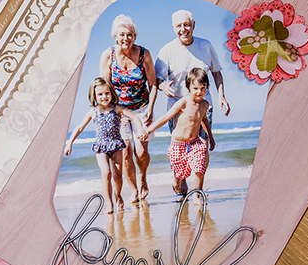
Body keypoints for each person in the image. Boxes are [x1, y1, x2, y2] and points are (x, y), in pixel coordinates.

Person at [65, 78, 146, 213]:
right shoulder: (93, 112)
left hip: (116, 144)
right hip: (101, 146)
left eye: (107, 93)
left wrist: (141, 129)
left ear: (111, 93)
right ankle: (109, 204)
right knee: (106, 173)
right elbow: (79, 128)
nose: (104, 97)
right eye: (100, 94)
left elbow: (135, 118)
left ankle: (118, 195)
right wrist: (70, 143)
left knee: (118, 176)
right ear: (94, 96)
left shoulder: (117, 108)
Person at [99, 14, 156, 203]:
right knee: (126, 152)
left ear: (135, 36)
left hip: (141, 108)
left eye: (130, 34)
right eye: (122, 35)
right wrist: (111, 111)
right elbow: (103, 87)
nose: (126, 38)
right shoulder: (108, 55)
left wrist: (151, 108)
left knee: (141, 153)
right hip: (120, 111)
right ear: (116, 36)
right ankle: (133, 190)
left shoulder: (144, 54)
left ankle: (143, 177)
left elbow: (153, 84)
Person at [144, 68, 215, 195]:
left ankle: (198, 192)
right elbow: (166, 117)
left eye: (203, 88)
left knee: (200, 167)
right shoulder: (183, 102)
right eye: (196, 88)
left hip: (195, 143)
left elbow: (204, 120)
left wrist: (211, 137)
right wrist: (149, 130)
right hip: (178, 144)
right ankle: (176, 182)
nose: (200, 92)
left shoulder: (205, 104)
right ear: (188, 87)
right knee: (180, 173)